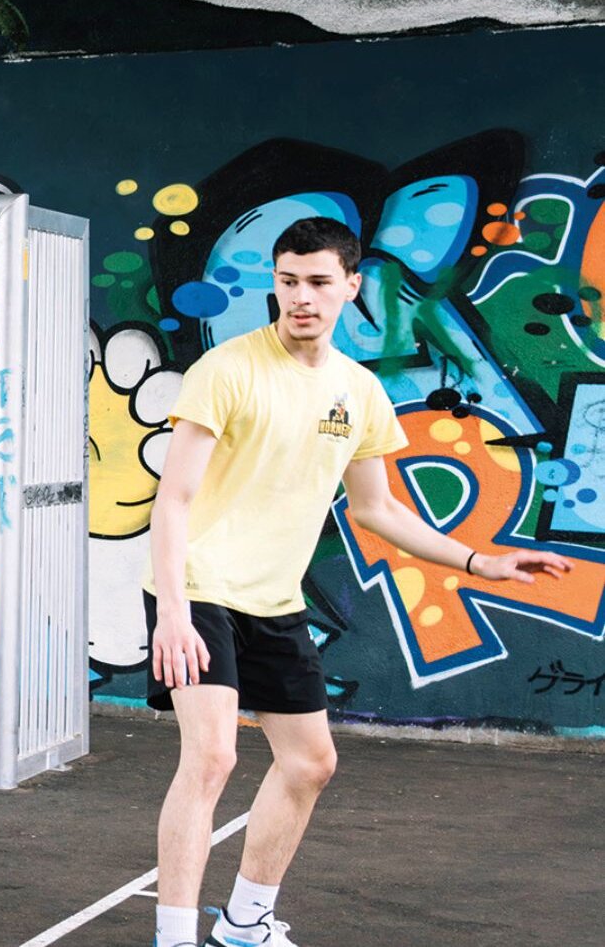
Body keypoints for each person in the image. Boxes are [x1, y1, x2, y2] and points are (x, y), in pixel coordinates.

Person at [145, 217, 573, 947]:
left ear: (350, 284)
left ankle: (245, 923)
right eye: (287, 281)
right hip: (199, 587)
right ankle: (175, 934)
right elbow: (174, 498)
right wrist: (173, 612)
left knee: (311, 762)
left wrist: (479, 561)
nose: (300, 297)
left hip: (274, 598)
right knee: (213, 755)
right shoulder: (229, 370)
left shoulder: (360, 390)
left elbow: (376, 508)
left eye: (317, 282)